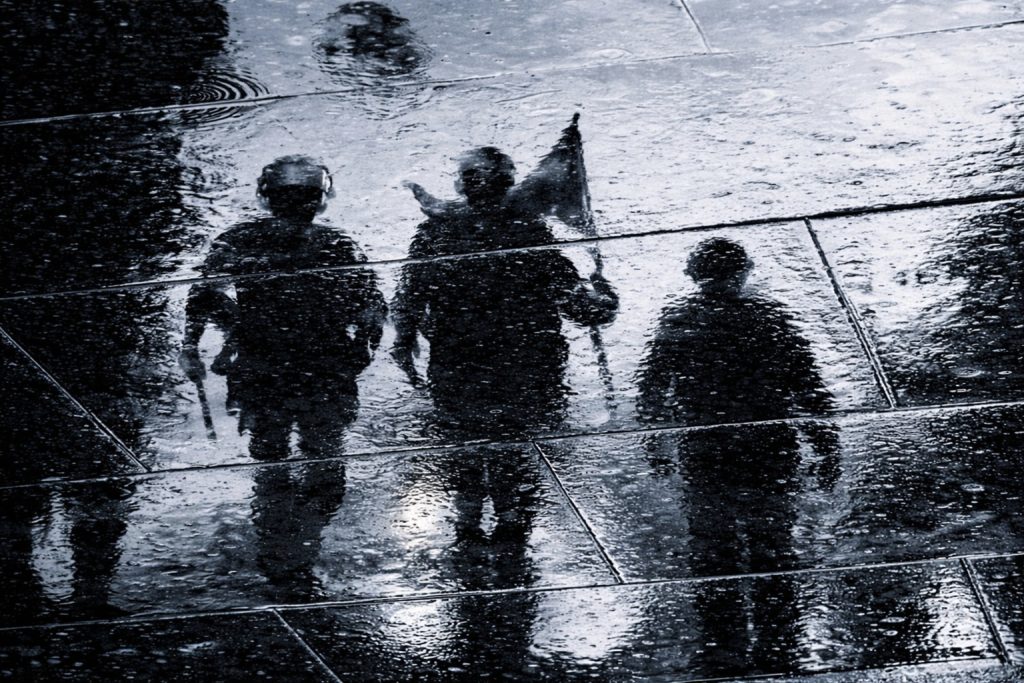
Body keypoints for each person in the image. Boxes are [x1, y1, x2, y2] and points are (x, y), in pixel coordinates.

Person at [636, 237, 839, 672]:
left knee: (713, 547)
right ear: (744, 272)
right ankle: (778, 642)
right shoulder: (769, 317)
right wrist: (825, 443)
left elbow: (652, 388)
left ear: (693, 275)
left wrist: (655, 443)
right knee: (772, 544)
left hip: (706, 447)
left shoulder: (680, 320)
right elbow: (807, 383)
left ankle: (721, 645)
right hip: (769, 445)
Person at [391, 145, 618, 439]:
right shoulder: (525, 233)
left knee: (470, 449)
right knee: (523, 448)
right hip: (521, 370)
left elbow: (410, 296)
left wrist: (405, 341)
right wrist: (602, 294)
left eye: (471, 176)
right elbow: (580, 307)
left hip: (469, 369)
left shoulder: (438, 232)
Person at [179, 155, 387, 460]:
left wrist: (191, 345)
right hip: (317, 367)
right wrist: (360, 348)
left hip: (271, 365)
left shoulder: (241, 239)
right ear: (320, 199)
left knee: (274, 451)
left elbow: (204, 294)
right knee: (319, 452)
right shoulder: (337, 244)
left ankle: (283, 485)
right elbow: (370, 305)